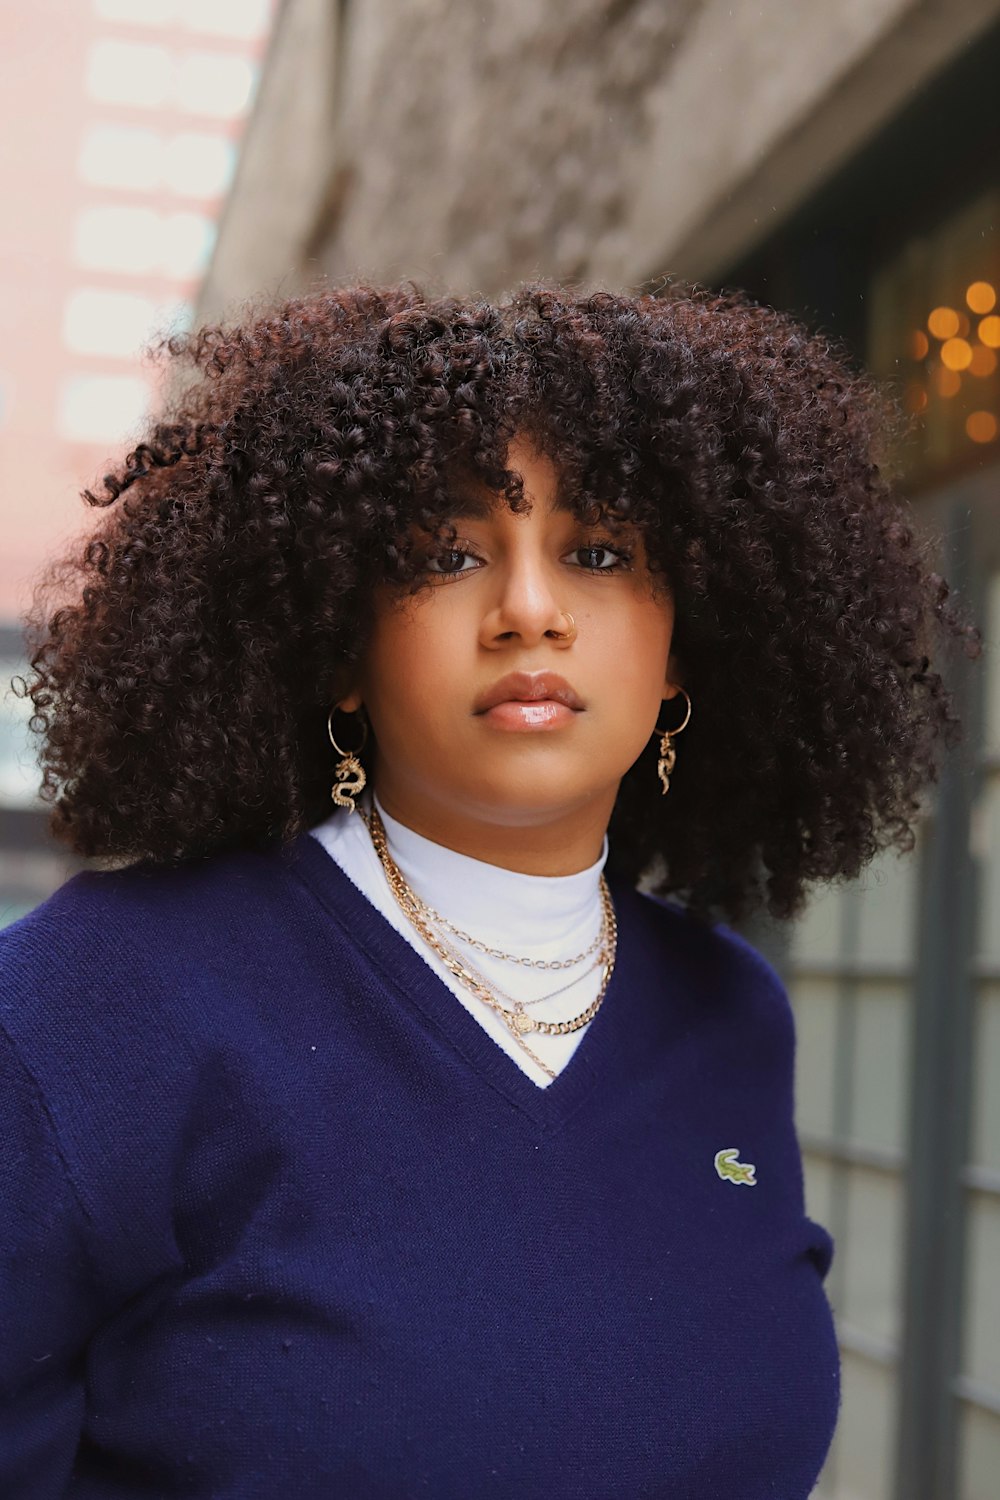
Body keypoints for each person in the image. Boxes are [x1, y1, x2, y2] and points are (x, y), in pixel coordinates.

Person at [0, 280, 979, 1499]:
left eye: (600, 551)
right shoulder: (100, 1001)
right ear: (342, 649)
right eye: (447, 553)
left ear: (681, 645)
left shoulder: (727, 1010)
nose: (528, 609)